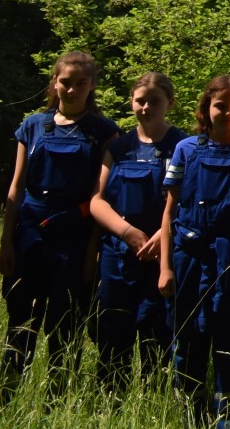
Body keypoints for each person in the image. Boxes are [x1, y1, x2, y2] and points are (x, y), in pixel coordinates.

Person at [0, 51, 118, 399]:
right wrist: (7, 241)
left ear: (91, 85)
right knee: (20, 322)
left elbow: (101, 196)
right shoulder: (33, 125)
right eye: (65, 81)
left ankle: (57, 401)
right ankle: (6, 395)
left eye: (80, 83)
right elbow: (16, 186)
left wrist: (91, 253)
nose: (72, 89)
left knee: (66, 327)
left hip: (74, 238)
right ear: (54, 82)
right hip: (30, 236)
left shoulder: (104, 132)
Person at [160, 76, 230, 428]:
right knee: (187, 340)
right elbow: (168, 212)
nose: (228, 112)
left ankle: (227, 418)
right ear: (207, 109)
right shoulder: (185, 149)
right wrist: (165, 267)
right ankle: (188, 416)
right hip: (187, 258)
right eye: (221, 105)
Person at [89, 72, 187, 390]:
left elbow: (190, 202)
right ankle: (110, 401)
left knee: (154, 331)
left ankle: (152, 401)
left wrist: (162, 235)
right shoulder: (119, 147)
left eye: (154, 101)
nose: (146, 107)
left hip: (162, 257)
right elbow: (97, 201)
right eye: (140, 101)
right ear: (131, 102)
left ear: (169, 103)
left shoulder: (183, 146)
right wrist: (127, 232)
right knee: (112, 331)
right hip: (118, 254)